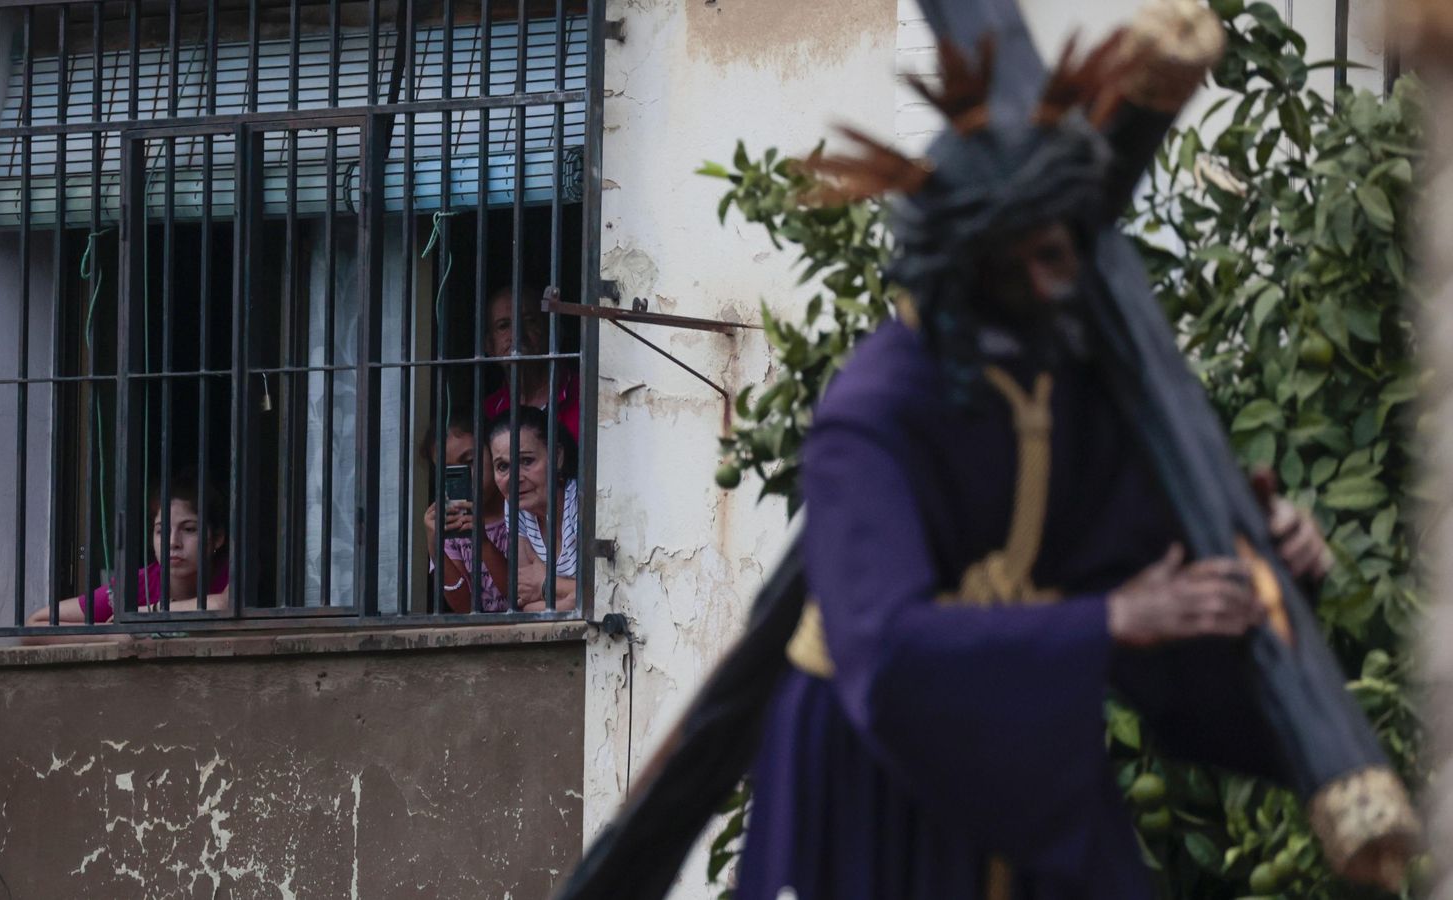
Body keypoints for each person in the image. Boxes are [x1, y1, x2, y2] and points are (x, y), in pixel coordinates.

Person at [556, 2, 1414, 898]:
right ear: (972, 264)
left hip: (1029, 751)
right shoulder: (874, 414)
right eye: (1041, 258)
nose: (1065, 281)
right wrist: (1110, 621)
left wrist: (1265, 567)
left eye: (1069, 253)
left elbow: (1146, 585)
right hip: (884, 785)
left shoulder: (1062, 385)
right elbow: (885, 657)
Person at [29, 473, 231, 627]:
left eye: (189, 529)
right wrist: (111, 636)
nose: (173, 542)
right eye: (161, 531)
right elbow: (36, 624)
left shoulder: (232, 572)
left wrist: (141, 614)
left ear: (218, 538)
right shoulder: (135, 585)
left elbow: (223, 605)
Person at [489, 405, 579, 612]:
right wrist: (568, 599)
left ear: (557, 456)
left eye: (526, 461)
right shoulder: (517, 505)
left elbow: (601, 593)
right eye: (502, 467)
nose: (514, 479)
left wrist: (544, 582)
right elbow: (524, 602)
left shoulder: (578, 501)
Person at [420, 410, 511, 613]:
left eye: (469, 461)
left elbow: (519, 596)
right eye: (448, 470)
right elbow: (463, 608)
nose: (462, 477)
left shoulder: (519, 511)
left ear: (494, 453)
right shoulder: (453, 523)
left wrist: (483, 543)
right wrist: (435, 548)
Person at [483, 284, 581, 443]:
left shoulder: (587, 396)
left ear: (554, 332)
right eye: (503, 326)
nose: (517, 334)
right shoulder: (488, 411)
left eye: (529, 321)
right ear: (489, 345)